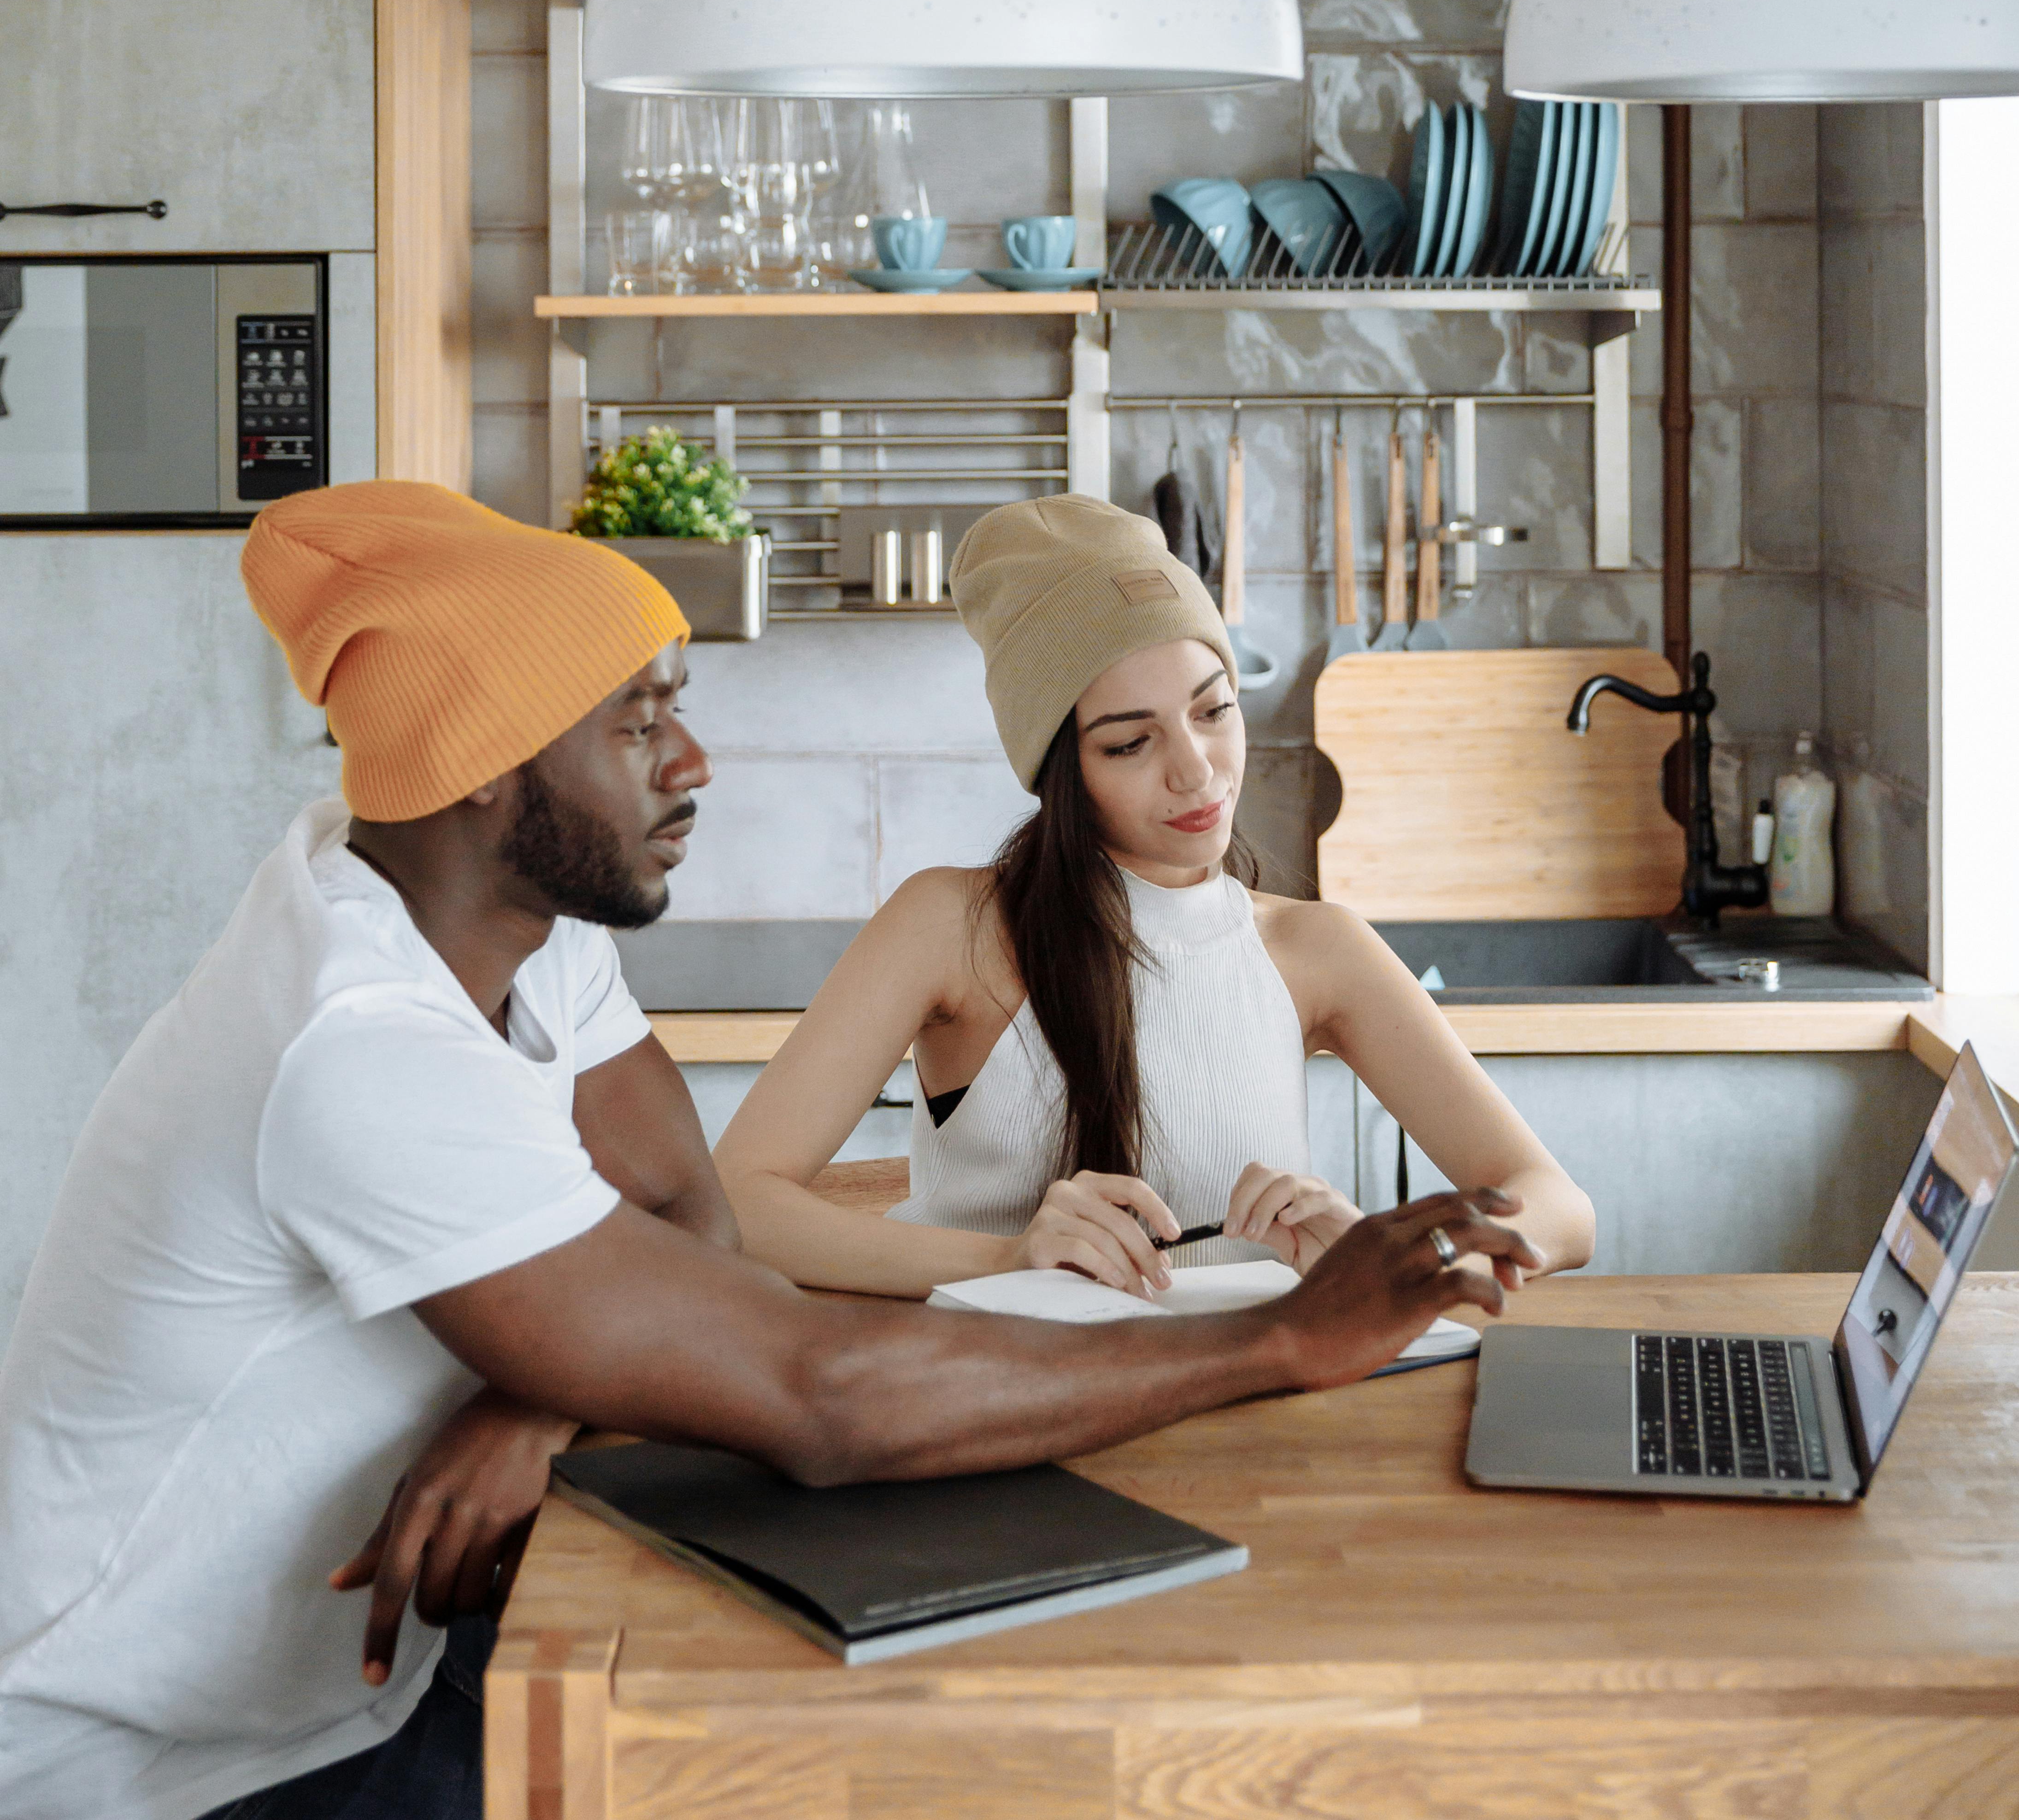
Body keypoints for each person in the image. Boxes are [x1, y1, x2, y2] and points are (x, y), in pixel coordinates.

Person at [0, 483, 1537, 1820]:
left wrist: (551, 1383)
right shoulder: (357, 1041)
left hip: (382, 1666)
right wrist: (1283, 1335)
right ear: (486, 764)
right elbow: (815, 1395)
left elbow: (686, 1209)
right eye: (640, 721)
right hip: (181, 1766)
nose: (694, 764)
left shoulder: (512, 930)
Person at [719, 496, 1594, 1300]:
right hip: (994, 1403)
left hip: (1243, 1416)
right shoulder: (953, 927)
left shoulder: (1315, 949)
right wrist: (1008, 1258)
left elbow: (1558, 1208)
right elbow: (735, 1205)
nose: (1197, 770)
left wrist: (1383, 1259)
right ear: (1061, 770)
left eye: (1213, 712)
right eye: (1130, 743)